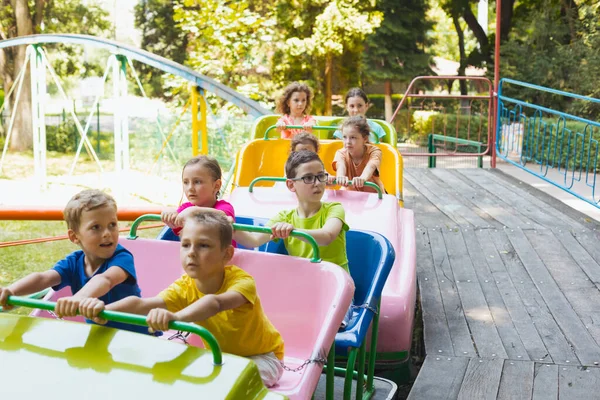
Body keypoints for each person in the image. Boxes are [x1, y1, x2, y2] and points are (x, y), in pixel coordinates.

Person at [80, 211, 285, 387]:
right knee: (174, 374)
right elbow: (143, 304)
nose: (192, 253)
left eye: (203, 246)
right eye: (186, 245)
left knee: (230, 382)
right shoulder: (185, 285)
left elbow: (215, 303)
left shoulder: (242, 281)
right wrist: (104, 310)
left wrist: (174, 317)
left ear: (226, 253)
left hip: (262, 358)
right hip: (219, 356)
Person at [0, 189, 146, 334]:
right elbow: (44, 278)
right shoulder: (73, 262)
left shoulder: (122, 257)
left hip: (138, 338)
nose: (107, 233)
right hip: (98, 335)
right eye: (96, 227)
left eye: (112, 225)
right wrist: (13, 291)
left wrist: (78, 298)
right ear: (75, 236)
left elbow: (106, 279)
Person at [161, 155, 236, 246]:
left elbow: (223, 217)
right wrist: (169, 213)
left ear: (216, 185)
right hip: (195, 258)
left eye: (197, 182)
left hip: (223, 259)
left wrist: (194, 211)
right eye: (186, 182)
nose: (190, 188)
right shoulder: (186, 208)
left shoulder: (224, 207)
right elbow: (176, 224)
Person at [330, 116, 385, 194]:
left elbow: (371, 166)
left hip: (373, 195)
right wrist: (340, 176)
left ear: (365, 138)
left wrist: (362, 178)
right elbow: (341, 165)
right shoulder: (341, 153)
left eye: (353, 137)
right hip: (351, 195)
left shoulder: (374, 151)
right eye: (345, 137)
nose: (347, 142)